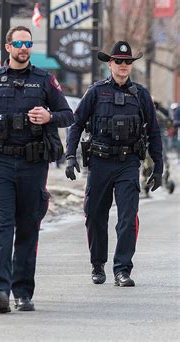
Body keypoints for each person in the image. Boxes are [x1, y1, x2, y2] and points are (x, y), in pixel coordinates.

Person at [0, 26, 74, 313]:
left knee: (27, 229)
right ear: (8, 47)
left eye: (28, 43)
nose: (24, 48)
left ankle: (23, 292)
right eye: (19, 43)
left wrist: (49, 116)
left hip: (33, 164)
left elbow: (68, 115)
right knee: (0, 227)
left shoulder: (45, 80)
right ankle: (0, 289)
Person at [65, 41, 163, 287]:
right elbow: (76, 124)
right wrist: (69, 156)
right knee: (95, 215)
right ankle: (98, 264)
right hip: (99, 162)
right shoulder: (96, 92)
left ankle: (122, 269)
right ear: (110, 64)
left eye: (127, 61)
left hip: (128, 163)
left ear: (131, 65)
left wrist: (158, 167)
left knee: (128, 218)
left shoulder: (141, 95)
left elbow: (154, 132)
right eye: (118, 61)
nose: (123, 65)